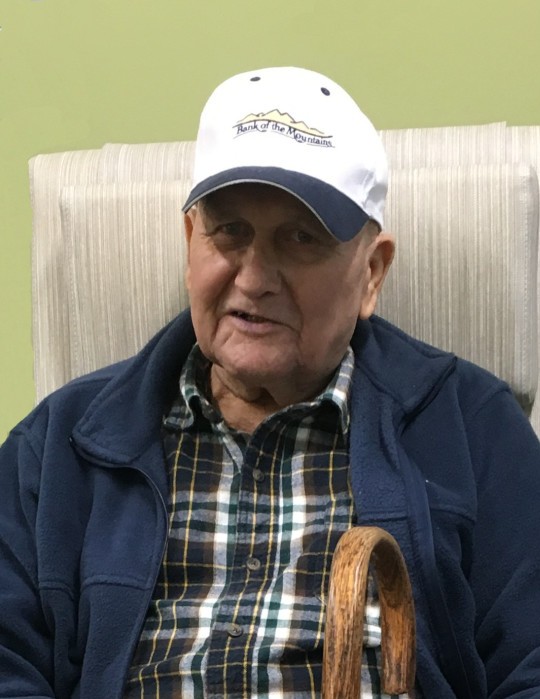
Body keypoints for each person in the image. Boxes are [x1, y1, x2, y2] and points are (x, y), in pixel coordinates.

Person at [1, 66, 539, 699]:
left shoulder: (474, 427)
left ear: (372, 272)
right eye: (229, 231)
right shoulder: (58, 445)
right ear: (190, 241)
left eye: (301, 238)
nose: (254, 279)